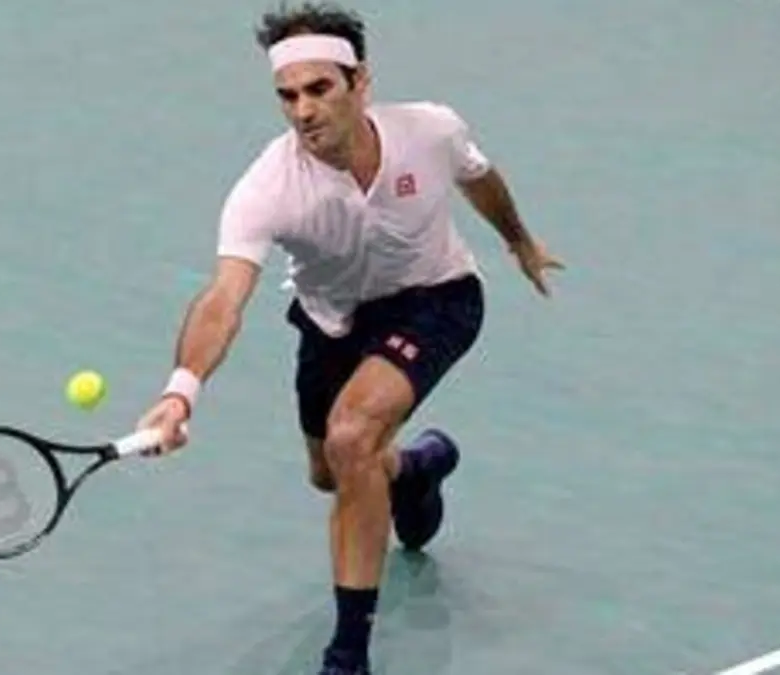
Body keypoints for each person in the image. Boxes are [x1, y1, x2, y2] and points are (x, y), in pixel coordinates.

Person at [135, 3, 563, 673]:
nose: (303, 111)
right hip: (331, 320)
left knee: (351, 436)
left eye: (318, 89)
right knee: (331, 473)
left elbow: (479, 177)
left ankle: (348, 654)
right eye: (287, 95)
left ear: (360, 82)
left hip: (437, 299)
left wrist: (519, 241)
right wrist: (179, 393)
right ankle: (415, 470)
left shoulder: (430, 130)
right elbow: (223, 298)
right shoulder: (268, 187)